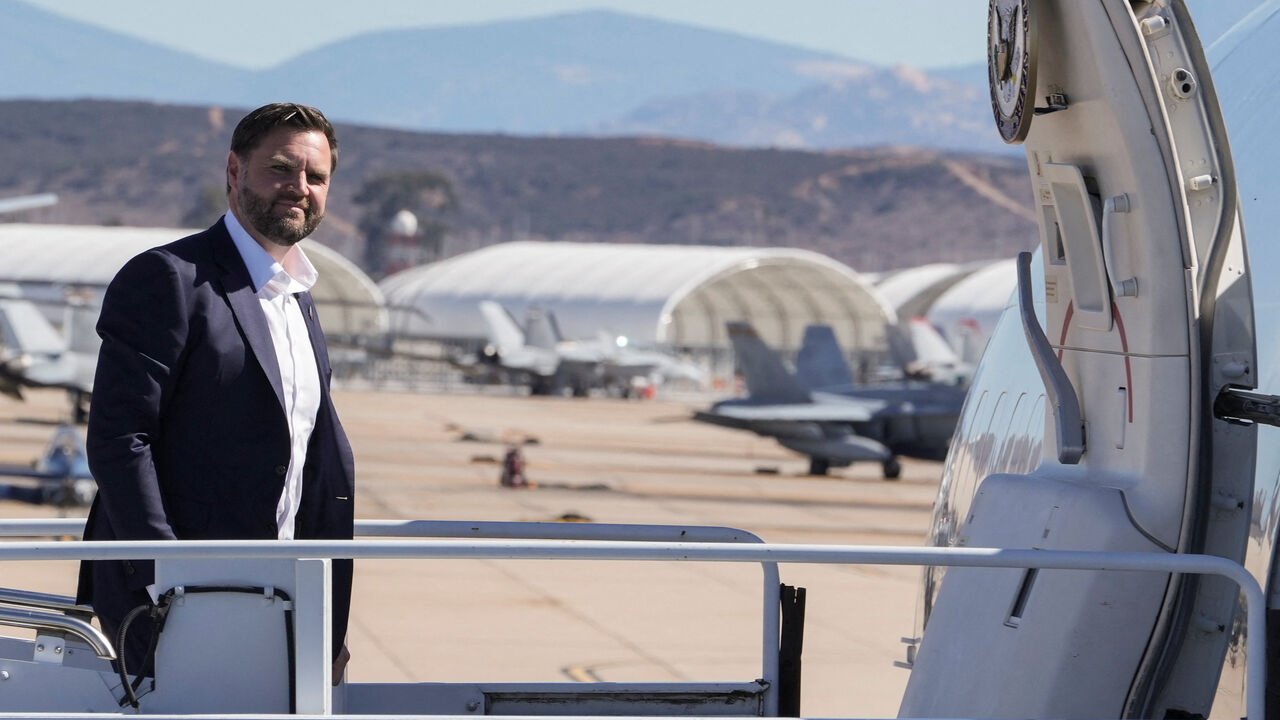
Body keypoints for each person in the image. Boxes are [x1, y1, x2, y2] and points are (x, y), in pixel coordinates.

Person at [77, 103, 355, 685]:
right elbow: (119, 439)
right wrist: (173, 576)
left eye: (316, 177)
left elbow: (311, 462)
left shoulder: (297, 298)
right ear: (234, 171)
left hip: (278, 604)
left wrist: (328, 623)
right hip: (173, 608)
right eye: (281, 168)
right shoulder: (170, 278)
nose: (299, 188)